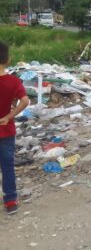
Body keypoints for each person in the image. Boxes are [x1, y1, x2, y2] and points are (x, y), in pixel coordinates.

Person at [0, 42, 29, 215]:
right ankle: (10, 201)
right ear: (8, 59)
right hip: (6, 130)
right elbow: (25, 101)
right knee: (7, 166)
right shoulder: (13, 81)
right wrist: (9, 117)